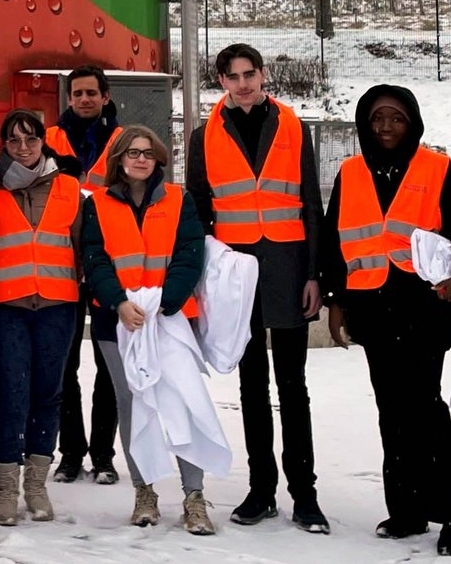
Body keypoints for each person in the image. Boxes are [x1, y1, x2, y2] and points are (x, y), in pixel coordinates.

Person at [320, 84, 451, 557]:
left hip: (425, 309)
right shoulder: (350, 171)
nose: (386, 127)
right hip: (372, 308)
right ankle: (407, 509)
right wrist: (335, 300)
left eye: (396, 118)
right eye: (377, 119)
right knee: (392, 409)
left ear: (413, 123)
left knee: (424, 408)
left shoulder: (438, 169)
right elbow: (333, 239)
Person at [185, 43, 328, 533]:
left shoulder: (293, 125)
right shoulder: (202, 136)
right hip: (236, 276)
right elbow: (199, 210)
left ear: (263, 75)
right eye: (233, 76)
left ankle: (304, 494)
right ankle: (261, 489)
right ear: (220, 81)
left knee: (293, 387)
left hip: (287, 268)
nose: (243, 83)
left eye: (250, 74)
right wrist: (206, 279)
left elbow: (311, 203)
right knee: (250, 386)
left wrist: (315, 275)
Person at [80, 126, 213, 533]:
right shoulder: (97, 204)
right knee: (134, 404)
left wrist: (166, 302)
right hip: (117, 321)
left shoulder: (178, 199)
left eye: (148, 152)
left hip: (170, 320)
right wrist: (119, 302)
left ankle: (194, 497)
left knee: (182, 402)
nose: (141, 159)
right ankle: (144, 492)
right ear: (118, 159)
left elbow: (191, 253)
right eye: (132, 153)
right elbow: (94, 258)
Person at [0, 110, 83, 527]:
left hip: (58, 305)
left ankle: (36, 483)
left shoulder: (69, 186)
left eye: (30, 139)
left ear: (44, 141)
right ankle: (6, 486)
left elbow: (81, 246)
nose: (23, 148)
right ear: (3, 145)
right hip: (6, 305)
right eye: (13, 140)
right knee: (10, 394)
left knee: (48, 393)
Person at [45, 66, 122, 485]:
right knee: (65, 364)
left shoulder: (123, 141)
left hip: (110, 264)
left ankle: (104, 455)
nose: (85, 99)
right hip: (62, 265)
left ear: (106, 96)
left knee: (109, 363)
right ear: (68, 98)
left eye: (92, 92)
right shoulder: (50, 141)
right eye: (77, 93)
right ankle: (71, 452)